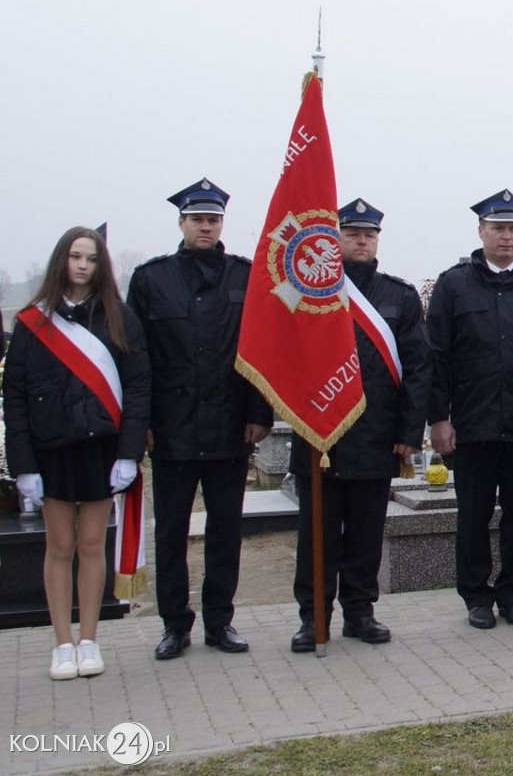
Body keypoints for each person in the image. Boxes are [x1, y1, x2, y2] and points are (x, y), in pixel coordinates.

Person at [127, 179, 272, 660]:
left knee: (225, 530)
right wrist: (140, 422)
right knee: (170, 532)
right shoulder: (152, 280)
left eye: (213, 220)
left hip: (231, 427)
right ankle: (174, 624)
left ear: (221, 224)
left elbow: (258, 351)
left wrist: (258, 413)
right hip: (171, 429)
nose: (205, 227)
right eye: (197, 219)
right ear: (182, 223)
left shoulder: (244, 276)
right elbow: (136, 359)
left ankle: (220, 622)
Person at [4, 226, 149, 679]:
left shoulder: (119, 318)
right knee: (59, 546)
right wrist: (23, 466)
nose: (82, 265)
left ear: (101, 266)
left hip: (102, 451)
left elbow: (139, 389)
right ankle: (61, 643)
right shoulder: (33, 322)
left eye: (90, 258)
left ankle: (89, 640)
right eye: (75, 256)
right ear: (61, 261)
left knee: (91, 545)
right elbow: (17, 398)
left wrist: (129, 454)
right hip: (52, 453)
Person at [289, 198, 430, 651]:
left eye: (369, 234)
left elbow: (417, 368)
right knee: (318, 536)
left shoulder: (399, 296)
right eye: (352, 234)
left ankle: (360, 612)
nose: (362, 241)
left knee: (366, 535)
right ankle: (313, 617)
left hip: (377, 435)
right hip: (321, 436)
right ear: (336, 239)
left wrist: (409, 433)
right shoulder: (310, 292)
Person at [426, 190, 513, 629]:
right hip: (473, 423)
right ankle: (476, 597)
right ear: (481, 231)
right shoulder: (454, 284)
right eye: (498, 228)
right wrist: (438, 417)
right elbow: (437, 356)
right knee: (473, 514)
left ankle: (512, 592)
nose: (506, 236)